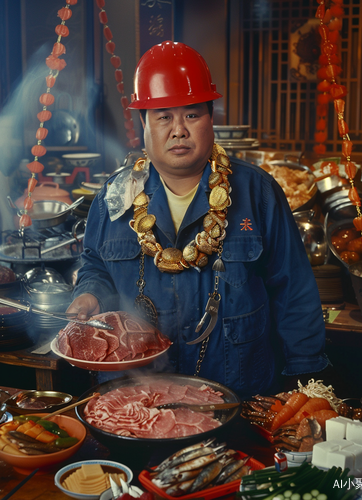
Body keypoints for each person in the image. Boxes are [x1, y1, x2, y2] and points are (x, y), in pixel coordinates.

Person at [66, 40, 331, 400]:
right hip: (136, 401)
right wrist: (89, 293)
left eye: (191, 115)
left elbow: (294, 292)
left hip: (239, 398)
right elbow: (95, 263)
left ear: (211, 119)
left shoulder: (259, 193)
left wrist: (307, 386)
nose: (178, 130)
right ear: (143, 124)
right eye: (163, 117)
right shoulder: (114, 196)